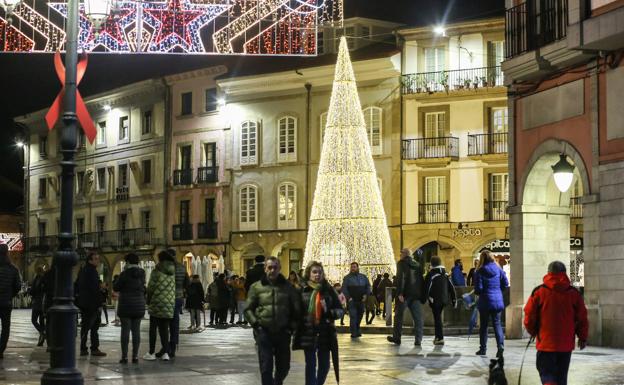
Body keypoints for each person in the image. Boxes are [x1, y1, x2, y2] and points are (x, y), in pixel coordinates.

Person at [524, 261, 589, 385]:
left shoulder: (539, 292)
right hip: (565, 345)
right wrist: (582, 337)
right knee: (561, 377)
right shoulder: (574, 293)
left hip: (546, 344)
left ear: (548, 273)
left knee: (547, 375)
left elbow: (529, 316)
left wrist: (533, 331)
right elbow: (582, 318)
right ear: (564, 273)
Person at [244, 256, 301, 385]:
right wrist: (256, 324)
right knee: (266, 366)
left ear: (279, 269)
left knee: (284, 367)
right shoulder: (256, 287)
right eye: (270, 267)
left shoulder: (288, 287)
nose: (272, 270)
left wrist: (291, 327)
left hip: (283, 332)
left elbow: (296, 310)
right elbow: (248, 309)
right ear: (265, 269)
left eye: (275, 267)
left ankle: (277, 382)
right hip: (264, 332)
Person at [294, 261, 343, 385]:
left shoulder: (328, 289)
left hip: (325, 331)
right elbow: (294, 310)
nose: (317, 275)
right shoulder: (302, 290)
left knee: (325, 365)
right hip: (308, 331)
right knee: (310, 364)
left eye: (320, 272)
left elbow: (340, 309)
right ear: (309, 274)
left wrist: (329, 311)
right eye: (314, 272)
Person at [474, 250, 509, 358]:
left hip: (485, 302)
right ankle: (500, 346)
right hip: (497, 301)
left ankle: (483, 349)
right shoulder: (498, 269)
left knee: (484, 326)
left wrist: (478, 292)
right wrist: (498, 291)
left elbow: (479, 289)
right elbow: (505, 283)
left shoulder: (479, 271)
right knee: (497, 324)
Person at [387, 248, 425, 346]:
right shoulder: (417, 264)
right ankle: (418, 340)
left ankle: (397, 338)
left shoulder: (401, 263)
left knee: (398, 316)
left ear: (405, 254)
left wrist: (400, 293)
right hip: (416, 295)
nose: (400, 255)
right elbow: (421, 279)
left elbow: (401, 278)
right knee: (418, 318)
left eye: (401, 253)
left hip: (405, 295)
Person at [114, 253, 146, 364]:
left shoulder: (124, 274)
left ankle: (124, 357)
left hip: (126, 306)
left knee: (125, 332)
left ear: (127, 262)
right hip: (139, 306)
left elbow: (116, 287)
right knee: (136, 332)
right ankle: (135, 356)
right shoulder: (142, 273)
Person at [143, 251, 176, 361]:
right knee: (164, 329)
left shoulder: (156, 271)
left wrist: (148, 301)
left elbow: (151, 288)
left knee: (153, 329)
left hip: (157, 302)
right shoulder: (172, 271)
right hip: (169, 303)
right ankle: (165, 353)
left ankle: (151, 352)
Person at [76, 252, 106, 357]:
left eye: (98, 258)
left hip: (85, 303)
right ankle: (92, 348)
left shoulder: (84, 270)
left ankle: (85, 348)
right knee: (92, 327)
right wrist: (101, 287)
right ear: (90, 260)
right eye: (96, 259)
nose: (98, 260)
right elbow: (93, 289)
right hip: (92, 304)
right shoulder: (91, 271)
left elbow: (78, 285)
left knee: (87, 326)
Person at [424, 256, 457, 345]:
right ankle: (438, 337)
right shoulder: (445, 274)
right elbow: (451, 288)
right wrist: (454, 300)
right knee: (438, 318)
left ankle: (440, 337)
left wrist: (425, 298)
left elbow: (426, 287)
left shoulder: (431, 274)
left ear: (431, 264)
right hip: (444, 299)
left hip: (434, 300)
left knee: (437, 318)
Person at [167, 248, 189, 358]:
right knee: (175, 323)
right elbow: (187, 283)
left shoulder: (165, 267)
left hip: (167, 297)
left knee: (164, 323)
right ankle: (173, 346)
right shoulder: (182, 267)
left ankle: (166, 347)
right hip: (178, 297)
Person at [0, 244, 21, 359]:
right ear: (7, 253)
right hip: (6, 303)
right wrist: (10, 295)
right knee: (5, 327)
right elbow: (18, 286)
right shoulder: (13, 269)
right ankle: (0, 350)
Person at [341, 261, 371, 338]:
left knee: (360, 315)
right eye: (352, 267)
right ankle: (353, 332)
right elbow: (344, 289)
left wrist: (366, 295)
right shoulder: (347, 278)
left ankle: (357, 328)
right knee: (353, 316)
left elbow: (368, 286)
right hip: (352, 300)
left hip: (361, 300)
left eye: (354, 267)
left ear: (357, 267)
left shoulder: (363, 277)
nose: (353, 268)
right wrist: (348, 298)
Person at [29, 264, 47, 346]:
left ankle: (42, 333)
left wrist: (29, 292)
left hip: (37, 303)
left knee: (33, 320)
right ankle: (41, 340)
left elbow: (33, 291)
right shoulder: (44, 279)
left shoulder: (37, 279)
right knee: (42, 322)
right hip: (43, 303)